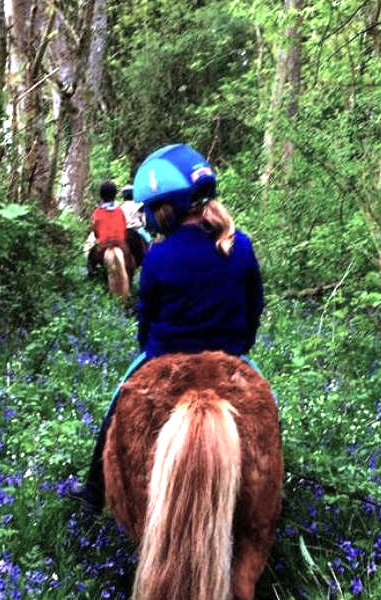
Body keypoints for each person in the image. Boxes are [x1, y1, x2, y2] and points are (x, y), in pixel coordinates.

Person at [67, 143, 264, 513]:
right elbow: (255, 307)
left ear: (167, 207)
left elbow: (147, 319)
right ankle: (272, 494)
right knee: (269, 413)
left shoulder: (158, 256)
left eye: (151, 208)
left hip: (165, 358)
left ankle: (94, 490)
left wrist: (148, 349)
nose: (148, 215)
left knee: (115, 408)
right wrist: (241, 346)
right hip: (230, 356)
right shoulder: (242, 246)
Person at [87, 180, 127, 277]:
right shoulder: (120, 210)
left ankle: (91, 273)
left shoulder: (97, 212)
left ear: (101, 195)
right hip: (120, 244)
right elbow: (124, 227)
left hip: (104, 245)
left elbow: (95, 232)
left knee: (91, 254)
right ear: (114, 195)